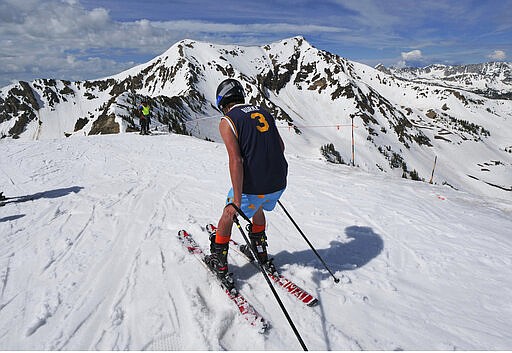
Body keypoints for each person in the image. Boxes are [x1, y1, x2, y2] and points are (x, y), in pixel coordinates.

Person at [205, 78, 288, 287]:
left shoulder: (228, 121)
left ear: (222, 101)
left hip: (255, 187)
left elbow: (236, 160)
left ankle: (219, 261)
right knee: (258, 205)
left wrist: (237, 200)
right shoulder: (265, 112)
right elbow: (281, 146)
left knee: (228, 213)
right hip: (279, 181)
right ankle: (259, 250)